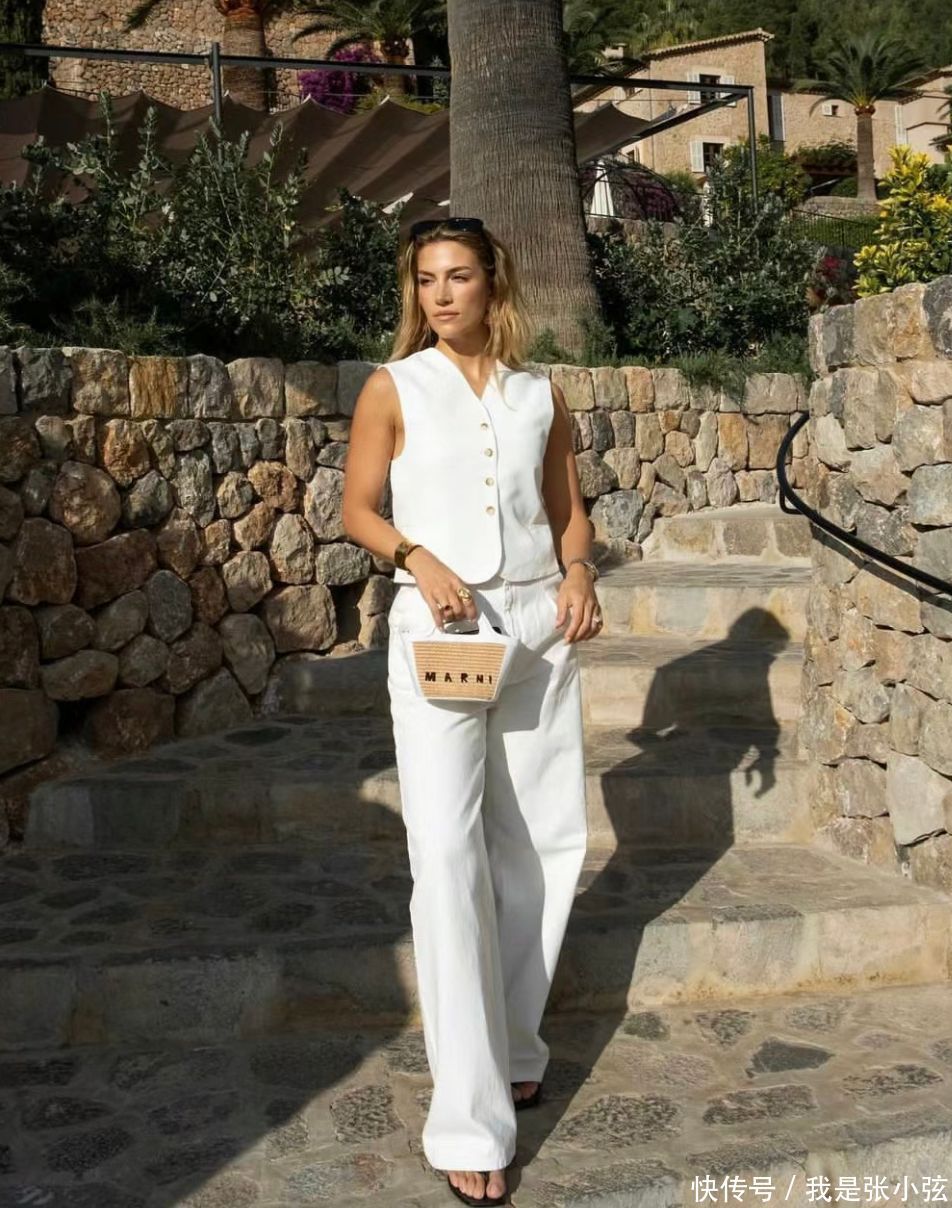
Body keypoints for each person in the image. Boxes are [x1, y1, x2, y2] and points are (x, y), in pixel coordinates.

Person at [342, 215, 601, 1207]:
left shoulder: (540, 393)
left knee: (541, 846)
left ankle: (516, 1042)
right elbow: (358, 508)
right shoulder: (393, 386)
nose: (441, 294)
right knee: (448, 860)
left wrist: (578, 572)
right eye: (426, 279)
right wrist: (416, 556)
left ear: (493, 281)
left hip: (537, 626)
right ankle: (468, 1121)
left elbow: (566, 507)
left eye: (457, 276)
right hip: (442, 630)